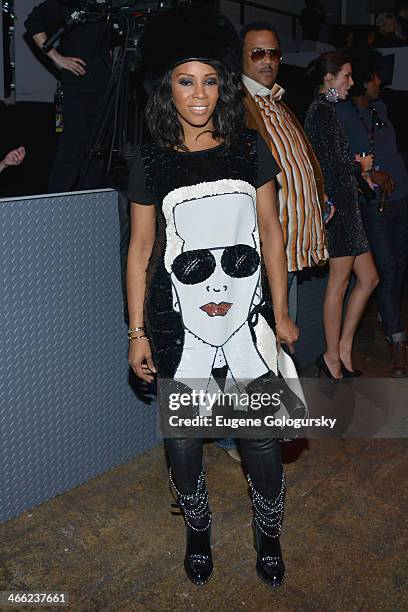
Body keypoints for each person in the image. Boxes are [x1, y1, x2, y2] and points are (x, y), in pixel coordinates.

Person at [127, 6, 304, 588]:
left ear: (222, 84)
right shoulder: (150, 161)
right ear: (166, 87)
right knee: (183, 444)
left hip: (250, 316)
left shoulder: (248, 149)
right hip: (176, 321)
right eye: (185, 80)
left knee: (260, 440)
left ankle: (269, 534)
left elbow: (272, 232)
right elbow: (141, 249)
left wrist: (280, 312)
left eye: (208, 80)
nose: (198, 94)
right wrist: (138, 332)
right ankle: (198, 530)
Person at [304, 52, 379, 379]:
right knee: (340, 282)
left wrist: (356, 172)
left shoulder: (329, 109)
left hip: (348, 205)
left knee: (369, 278)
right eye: (346, 76)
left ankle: (342, 350)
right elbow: (328, 165)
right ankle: (332, 356)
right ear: (329, 79)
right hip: (338, 208)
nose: (351, 82)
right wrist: (358, 166)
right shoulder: (320, 110)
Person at [335, 49, 408, 377]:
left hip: (401, 199)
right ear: (362, 80)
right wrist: (370, 172)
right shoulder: (343, 114)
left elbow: (389, 146)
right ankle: (397, 341)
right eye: (376, 76)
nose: (381, 82)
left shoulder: (381, 107)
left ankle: (387, 320)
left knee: (399, 268)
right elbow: (335, 159)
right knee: (386, 270)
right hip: (373, 205)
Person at [25, 1, 113, 192]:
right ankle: (55, 211)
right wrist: (57, 57)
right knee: (72, 153)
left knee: (99, 157)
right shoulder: (70, 3)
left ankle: (92, 209)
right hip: (78, 88)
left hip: (108, 88)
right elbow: (33, 22)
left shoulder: (110, 6)